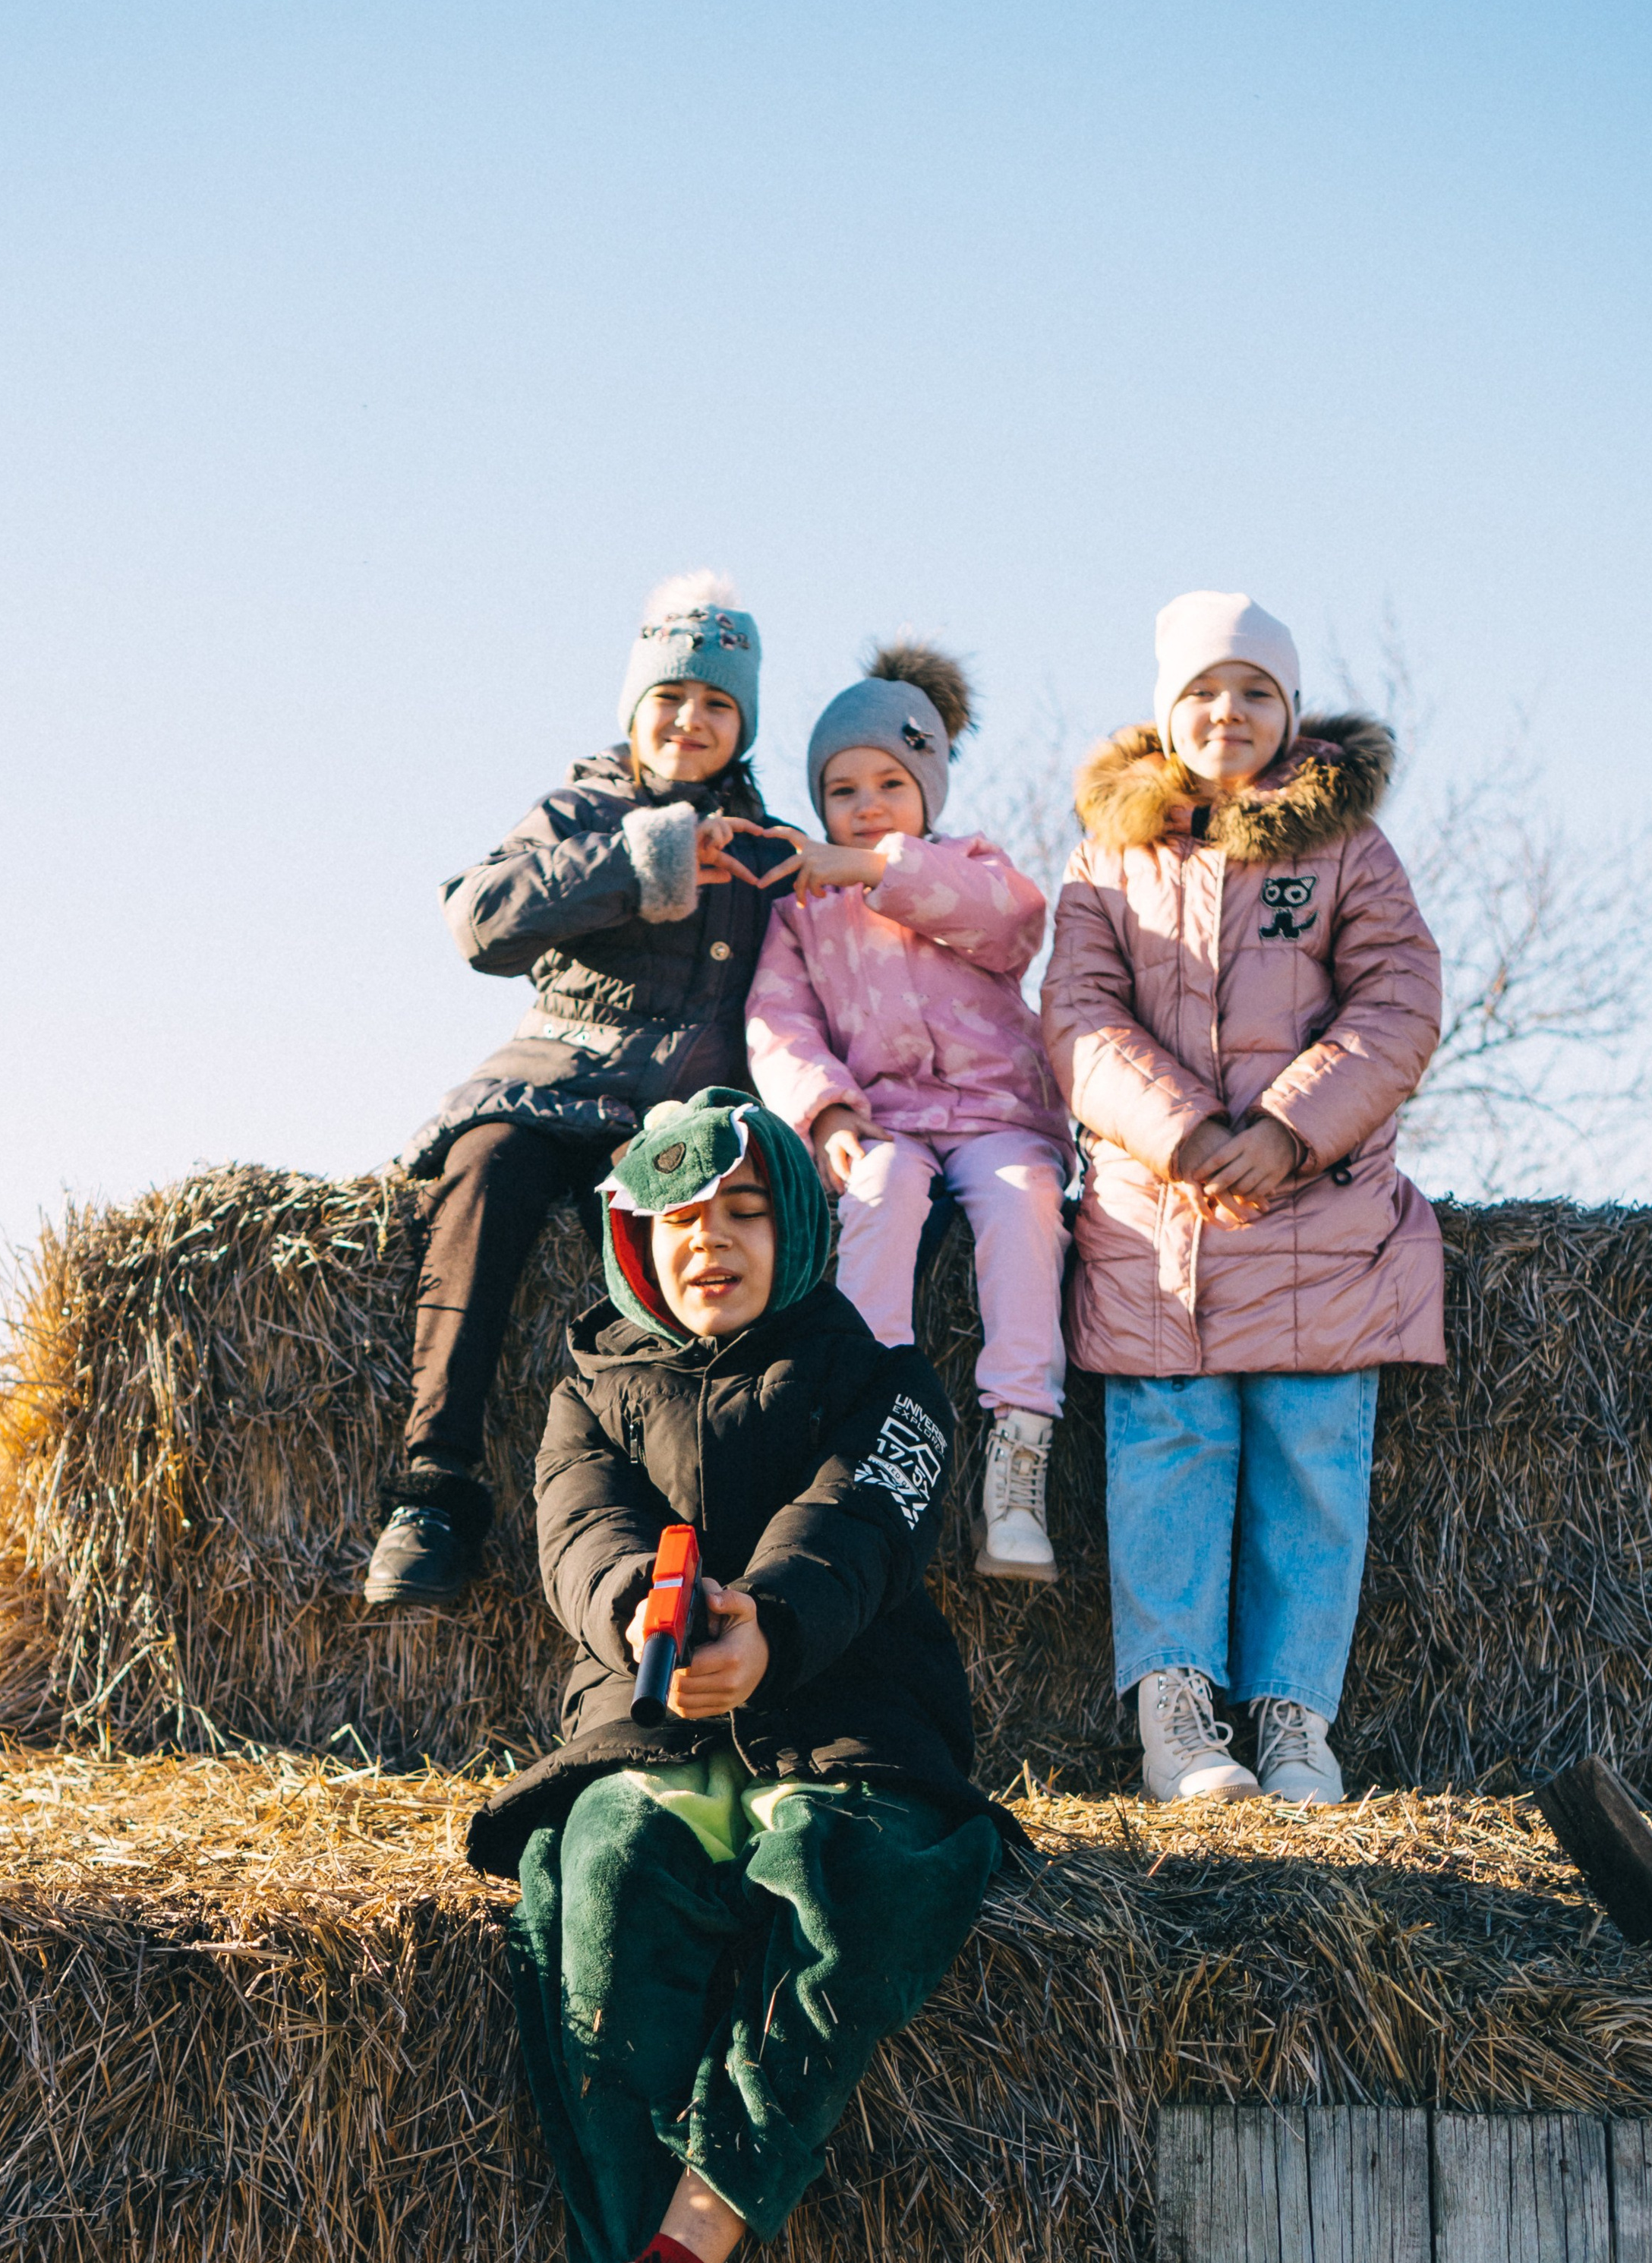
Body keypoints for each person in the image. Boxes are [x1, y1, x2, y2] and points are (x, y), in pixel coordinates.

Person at [463, 1085, 1017, 2263]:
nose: (715, 1241)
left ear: (801, 1228)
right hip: (651, 1740)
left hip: (843, 1728)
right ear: (635, 1246)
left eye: (748, 1213)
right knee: (601, 1875)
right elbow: (580, 1539)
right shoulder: (586, 1389)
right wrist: (649, 1638)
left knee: (861, 1879)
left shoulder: (890, 1382)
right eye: (682, 1220)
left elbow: (856, 1525)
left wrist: (763, 1630)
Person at [1041, 592, 1445, 1806]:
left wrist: (1287, 1131)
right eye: (1207, 691)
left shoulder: (1348, 850)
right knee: (1169, 1454)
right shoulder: (1111, 854)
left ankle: (1293, 1718)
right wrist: (1187, 1132)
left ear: (1291, 711)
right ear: (1170, 712)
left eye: (1258, 691)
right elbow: (1078, 1014)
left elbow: (1399, 1001)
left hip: (1318, 1211)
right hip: (1158, 1219)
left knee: (1314, 1462)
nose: (1231, 711)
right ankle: (1178, 1714)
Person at [366, 573, 796, 1610]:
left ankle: (680, 1520)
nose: (689, 720)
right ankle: (433, 1491)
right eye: (670, 698)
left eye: (716, 704)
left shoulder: (765, 848)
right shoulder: (581, 809)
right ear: (635, 707)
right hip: (550, 1088)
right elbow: (481, 920)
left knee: (691, 1233)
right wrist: (648, 854)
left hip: (669, 1119)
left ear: (742, 725)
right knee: (484, 1176)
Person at [746, 643, 1072, 1581]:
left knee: (1022, 1210)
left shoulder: (968, 865)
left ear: (929, 786)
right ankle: (868, 1424)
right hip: (885, 1116)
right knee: (878, 1199)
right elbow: (779, 1024)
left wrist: (868, 864)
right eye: (842, 790)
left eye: (890, 781)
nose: (867, 802)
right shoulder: (800, 914)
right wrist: (827, 1115)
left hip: (996, 1116)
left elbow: (1006, 923)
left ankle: (1018, 1452)